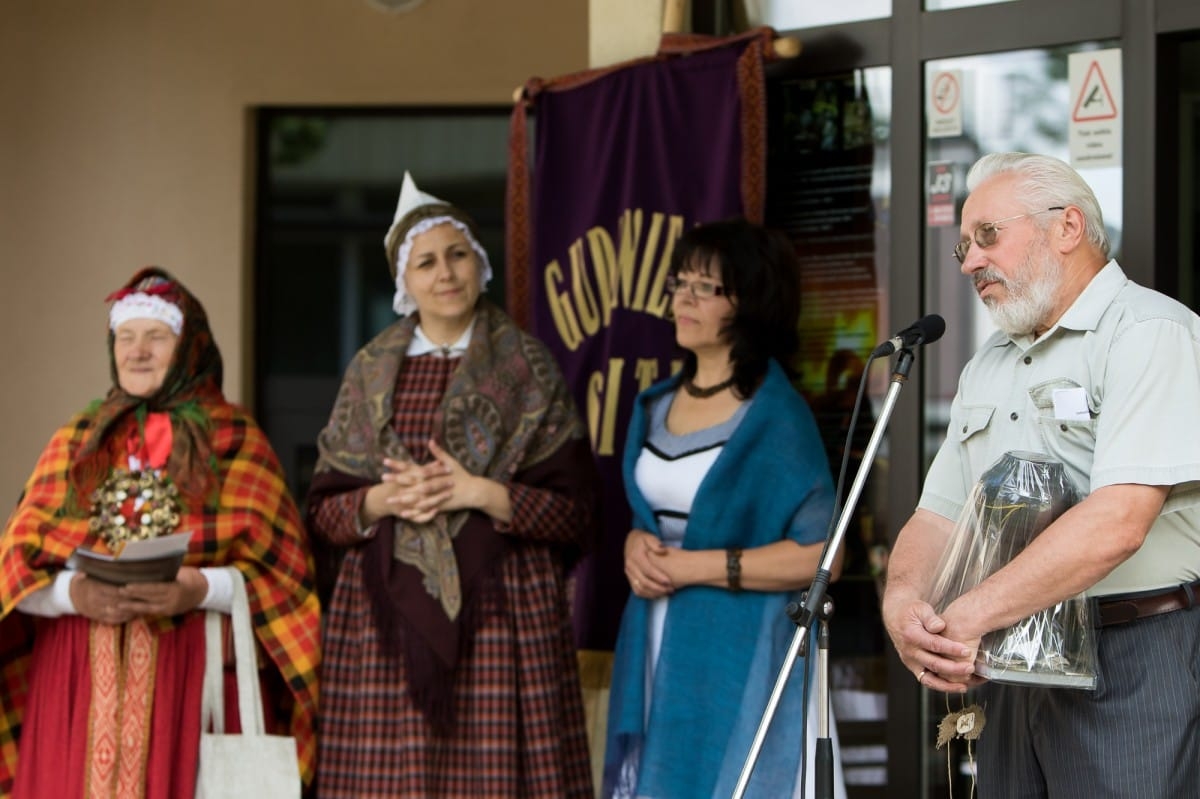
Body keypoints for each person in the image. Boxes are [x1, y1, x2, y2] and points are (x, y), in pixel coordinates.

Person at [882, 152, 1200, 798]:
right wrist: (904, 601)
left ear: (1067, 227)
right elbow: (939, 514)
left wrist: (970, 615)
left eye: (988, 236)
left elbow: (1118, 521)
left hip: (1134, 651)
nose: (970, 260)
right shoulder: (989, 364)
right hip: (1016, 662)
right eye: (963, 246)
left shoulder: (1148, 332)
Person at [307, 172, 598, 798]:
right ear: (404, 284)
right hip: (382, 624)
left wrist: (480, 493)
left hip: (502, 616)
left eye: (457, 255)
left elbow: (576, 515)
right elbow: (325, 515)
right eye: (426, 262)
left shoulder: (526, 365)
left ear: (480, 263)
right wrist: (381, 500)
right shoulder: (368, 373)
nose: (445, 274)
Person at [0, 267, 321, 798]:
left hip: (193, 684)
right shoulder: (76, 442)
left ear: (190, 347)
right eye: (125, 337)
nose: (138, 351)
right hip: (75, 688)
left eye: (156, 336)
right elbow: (15, 573)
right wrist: (74, 594)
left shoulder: (236, 441)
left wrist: (195, 588)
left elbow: (283, 580)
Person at [603, 218, 846, 799]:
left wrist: (696, 566)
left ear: (751, 302)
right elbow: (651, 516)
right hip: (656, 635)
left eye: (705, 287)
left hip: (745, 645)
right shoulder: (653, 405)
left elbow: (825, 558)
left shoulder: (776, 419)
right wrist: (634, 544)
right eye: (680, 281)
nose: (682, 298)